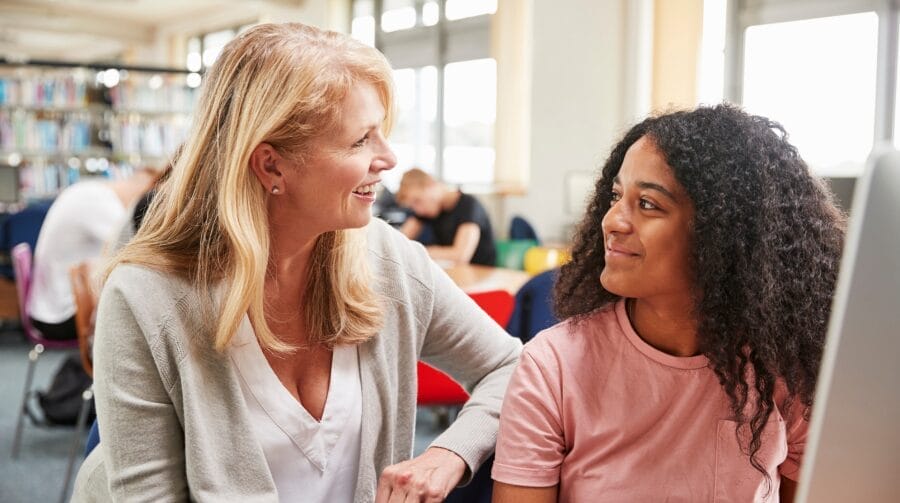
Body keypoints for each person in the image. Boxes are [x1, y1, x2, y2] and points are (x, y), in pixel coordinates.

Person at [72, 22, 521, 502]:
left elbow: (512, 366)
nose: (388, 158)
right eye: (360, 140)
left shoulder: (386, 260)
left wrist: (448, 453)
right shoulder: (146, 299)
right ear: (270, 165)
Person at [491, 104, 846, 502]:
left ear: (721, 234)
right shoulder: (552, 365)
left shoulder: (785, 370)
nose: (612, 221)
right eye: (615, 195)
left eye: (647, 204)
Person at [27, 168, 159, 340]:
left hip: (49, 305)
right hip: (60, 316)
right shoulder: (100, 202)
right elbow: (137, 250)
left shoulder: (92, 191)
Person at [396, 168, 497, 266]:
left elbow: (461, 256)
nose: (418, 210)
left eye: (417, 201)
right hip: (453, 271)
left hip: (481, 273)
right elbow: (398, 243)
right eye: (412, 206)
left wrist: (418, 251)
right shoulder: (428, 210)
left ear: (431, 185)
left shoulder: (469, 205)